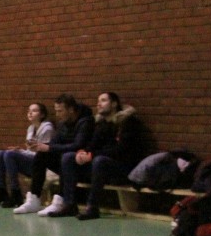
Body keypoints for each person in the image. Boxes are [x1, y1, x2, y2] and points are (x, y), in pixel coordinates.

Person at [50, 92, 146, 220]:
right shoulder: (101, 124)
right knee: (68, 157)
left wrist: (92, 155)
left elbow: (122, 150)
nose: (99, 104)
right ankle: (69, 204)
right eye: (98, 101)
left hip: (123, 168)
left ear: (114, 104)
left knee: (99, 161)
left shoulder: (128, 122)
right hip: (99, 166)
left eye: (103, 100)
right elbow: (92, 145)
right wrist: (83, 152)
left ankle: (92, 207)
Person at [13, 93, 95, 215]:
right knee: (42, 155)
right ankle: (34, 198)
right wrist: (40, 146)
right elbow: (53, 144)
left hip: (82, 164)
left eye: (60, 111)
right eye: (56, 111)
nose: (57, 114)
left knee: (65, 157)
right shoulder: (62, 124)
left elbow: (78, 145)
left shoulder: (86, 122)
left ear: (71, 110)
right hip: (66, 160)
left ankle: (59, 201)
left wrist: (49, 147)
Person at [0, 103, 55, 207]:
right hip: (32, 160)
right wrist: (20, 150)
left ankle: (16, 193)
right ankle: (2, 191)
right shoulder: (30, 128)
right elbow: (30, 150)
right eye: (29, 111)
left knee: (9, 154)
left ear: (42, 115)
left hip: (41, 167)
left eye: (34, 111)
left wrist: (20, 152)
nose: (30, 113)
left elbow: (41, 154)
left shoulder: (47, 129)